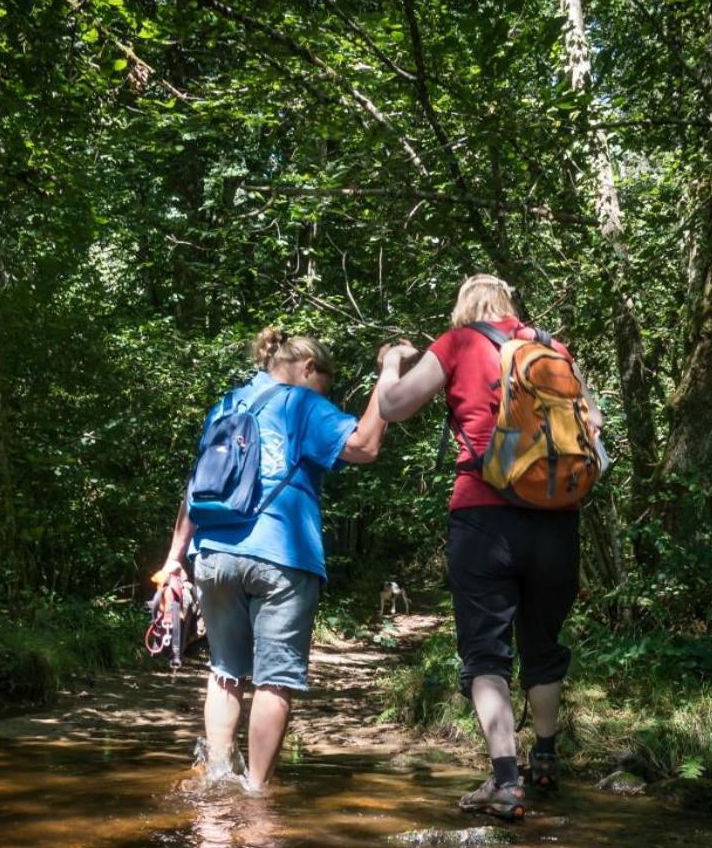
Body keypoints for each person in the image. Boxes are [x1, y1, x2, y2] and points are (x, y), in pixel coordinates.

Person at [376, 275, 592, 818]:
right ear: (510, 303)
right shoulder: (553, 348)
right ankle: (545, 759)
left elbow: (395, 405)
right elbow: (594, 425)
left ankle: (505, 781)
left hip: (484, 516)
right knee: (544, 644)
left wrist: (389, 364)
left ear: (464, 307)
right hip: (558, 520)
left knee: (486, 654)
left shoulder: (458, 343)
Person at [158, 326, 399, 792]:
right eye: (325, 385)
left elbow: (195, 488)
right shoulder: (300, 402)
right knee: (275, 679)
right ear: (309, 368)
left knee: (224, 670)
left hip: (215, 556)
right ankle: (255, 792)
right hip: (281, 557)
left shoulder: (226, 405)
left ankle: (217, 777)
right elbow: (365, 445)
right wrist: (388, 374)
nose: (323, 395)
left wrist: (174, 558)